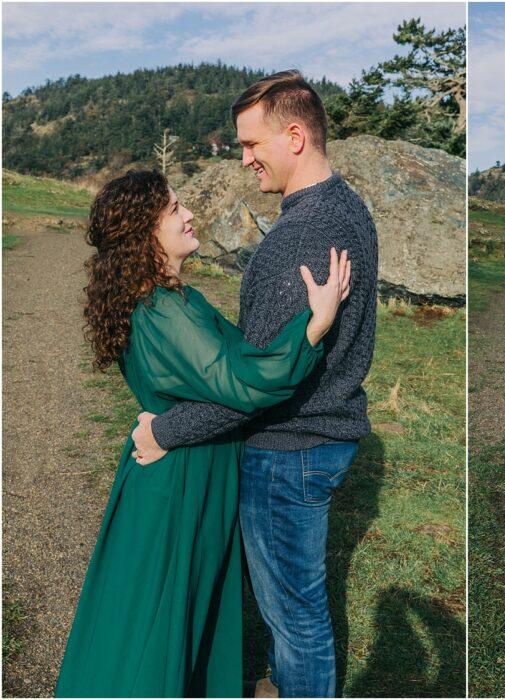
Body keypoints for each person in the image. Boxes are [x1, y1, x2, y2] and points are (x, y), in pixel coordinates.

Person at [129, 70, 379, 698]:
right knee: (294, 605)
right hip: (327, 432)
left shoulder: (293, 240)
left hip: (288, 449)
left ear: (294, 136)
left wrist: (166, 429)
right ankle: (279, 683)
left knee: (297, 618)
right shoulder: (348, 207)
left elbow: (254, 387)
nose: (243, 160)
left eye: (250, 145)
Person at [56, 169, 350, 697]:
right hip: (180, 483)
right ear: (144, 232)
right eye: (173, 210)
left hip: (182, 467)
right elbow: (244, 382)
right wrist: (315, 325)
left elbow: (228, 366)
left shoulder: (161, 297)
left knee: (173, 612)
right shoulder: (164, 308)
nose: (189, 214)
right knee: (162, 620)